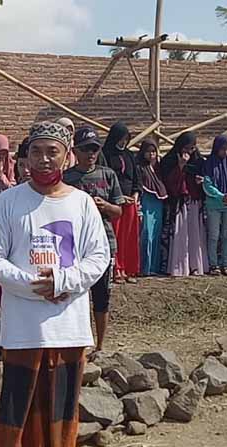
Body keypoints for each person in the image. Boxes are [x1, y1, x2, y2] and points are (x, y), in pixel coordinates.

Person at [0, 121, 109, 447]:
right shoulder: (8, 202)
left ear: (67, 156)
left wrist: (63, 281)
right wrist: (31, 284)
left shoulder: (82, 204)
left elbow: (98, 258)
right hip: (23, 325)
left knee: (63, 408)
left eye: (52, 151)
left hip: (68, 325)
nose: (43, 159)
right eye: (36, 151)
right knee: (16, 407)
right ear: (25, 158)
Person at [64, 126, 123, 353]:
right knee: (74, 295)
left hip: (104, 243)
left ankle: (100, 345)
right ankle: (76, 342)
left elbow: (119, 211)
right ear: (75, 151)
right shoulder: (67, 178)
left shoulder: (107, 175)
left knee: (102, 297)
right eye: (85, 149)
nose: (90, 154)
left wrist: (105, 206)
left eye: (94, 149)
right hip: (75, 245)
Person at [160, 132, 208, 277]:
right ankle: (180, 266)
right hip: (179, 203)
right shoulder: (170, 160)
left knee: (194, 235)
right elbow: (167, 181)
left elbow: (204, 176)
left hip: (194, 202)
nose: (189, 152)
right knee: (180, 234)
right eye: (186, 148)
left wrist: (201, 181)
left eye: (192, 148)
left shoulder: (198, 160)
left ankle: (195, 265)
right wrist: (180, 166)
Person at [102, 122, 141, 283]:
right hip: (115, 203)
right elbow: (106, 179)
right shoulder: (106, 154)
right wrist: (119, 197)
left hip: (130, 202)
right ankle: (117, 269)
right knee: (116, 236)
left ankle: (129, 269)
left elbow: (136, 179)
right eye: (121, 138)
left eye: (126, 139)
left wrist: (136, 195)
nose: (123, 142)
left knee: (129, 236)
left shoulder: (130, 155)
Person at [202, 135, 227, 277]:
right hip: (214, 204)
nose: (225, 152)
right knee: (213, 235)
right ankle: (213, 264)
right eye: (222, 149)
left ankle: (226, 263)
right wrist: (221, 196)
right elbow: (207, 184)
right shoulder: (209, 164)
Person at [137, 139, 167, 276]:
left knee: (155, 234)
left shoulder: (159, 169)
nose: (151, 155)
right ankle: (144, 267)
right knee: (146, 234)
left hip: (158, 204)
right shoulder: (140, 168)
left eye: (154, 152)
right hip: (146, 202)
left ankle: (153, 267)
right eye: (148, 152)